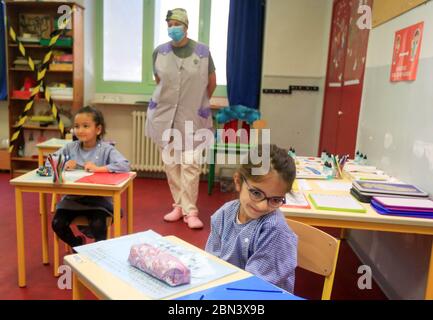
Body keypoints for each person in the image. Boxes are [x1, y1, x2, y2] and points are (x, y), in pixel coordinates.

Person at [146, 8, 217, 229]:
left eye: (177, 24)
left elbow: (211, 82)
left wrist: (199, 103)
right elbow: (160, 82)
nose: (173, 28)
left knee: (191, 163)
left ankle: (191, 211)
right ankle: (178, 205)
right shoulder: (159, 52)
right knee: (171, 163)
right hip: (165, 116)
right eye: (169, 24)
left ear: (186, 27)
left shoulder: (203, 52)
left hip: (193, 116)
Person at [205, 145, 298, 293]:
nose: (261, 206)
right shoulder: (223, 214)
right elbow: (212, 262)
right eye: (256, 193)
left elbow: (253, 288)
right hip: (227, 292)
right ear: (238, 181)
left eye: (275, 199)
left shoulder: (275, 230)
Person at [51, 106, 130, 247]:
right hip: (72, 200)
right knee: (57, 224)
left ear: (98, 130)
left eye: (85, 126)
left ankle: (98, 254)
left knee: (98, 225)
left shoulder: (106, 149)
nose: (80, 130)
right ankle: (78, 245)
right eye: (77, 126)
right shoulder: (70, 148)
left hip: (98, 202)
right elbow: (50, 162)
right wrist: (63, 164)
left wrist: (99, 169)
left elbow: (124, 165)